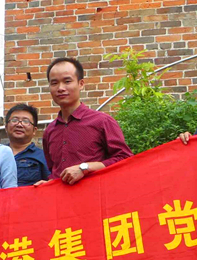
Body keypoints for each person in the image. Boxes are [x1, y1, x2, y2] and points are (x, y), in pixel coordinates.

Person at [38, 57, 132, 185]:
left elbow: (125, 159)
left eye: (67, 81)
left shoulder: (102, 121)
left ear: (81, 84)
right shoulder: (50, 131)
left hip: (95, 195)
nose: (60, 88)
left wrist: (85, 168)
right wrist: (48, 184)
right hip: (60, 197)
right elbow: (55, 171)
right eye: (54, 83)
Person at [5, 103, 49, 186]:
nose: (19, 124)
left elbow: (51, 184)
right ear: (6, 127)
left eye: (26, 121)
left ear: (34, 130)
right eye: (14, 120)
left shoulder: (43, 157)